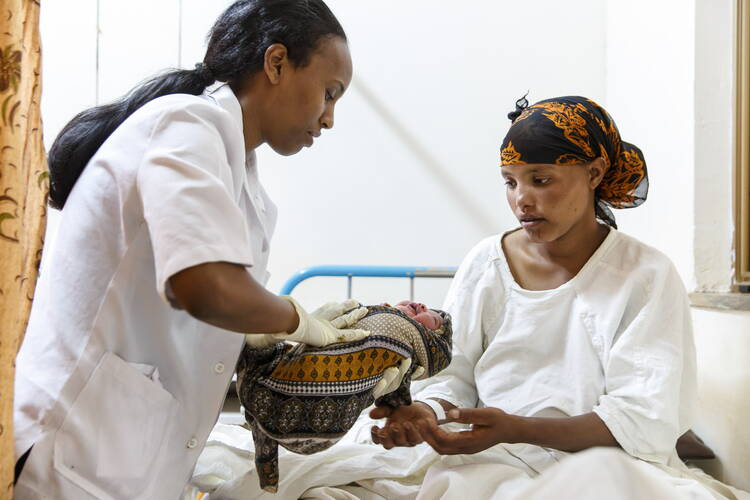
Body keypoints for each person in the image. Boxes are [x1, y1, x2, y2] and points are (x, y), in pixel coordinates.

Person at [187, 96, 748, 499]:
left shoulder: (645, 275)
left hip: (600, 463)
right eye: (510, 181)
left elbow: (641, 420)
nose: (522, 200)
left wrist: (520, 427)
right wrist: (425, 413)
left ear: (596, 171)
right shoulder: (488, 261)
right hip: (485, 452)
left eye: (541, 178)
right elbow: (454, 375)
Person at [12, 2, 413, 499]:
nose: (328, 119)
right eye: (329, 94)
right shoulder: (186, 124)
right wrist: (298, 321)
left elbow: (217, 315)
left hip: (125, 452)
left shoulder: (236, 169)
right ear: (277, 63)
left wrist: (335, 360)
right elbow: (204, 285)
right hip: (72, 446)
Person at [237, 300, 452, 492]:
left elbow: (397, 400)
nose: (423, 306)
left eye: (433, 318)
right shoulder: (361, 313)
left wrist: (397, 413)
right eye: (425, 306)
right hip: (278, 373)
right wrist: (298, 325)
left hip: (317, 412)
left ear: (430, 345)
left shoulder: (408, 350)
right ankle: (262, 368)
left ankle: (260, 367)